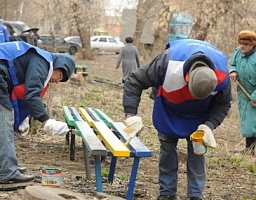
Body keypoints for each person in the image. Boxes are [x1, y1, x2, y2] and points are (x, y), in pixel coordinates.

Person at [122, 39, 232, 200]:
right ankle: (167, 193)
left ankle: (195, 194)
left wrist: (209, 126)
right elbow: (135, 80)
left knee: (197, 152)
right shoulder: (168, 61)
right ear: (187, 78)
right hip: (169, 107)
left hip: (199, 116)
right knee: (167, 148)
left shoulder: (222, 75)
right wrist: (130, 114)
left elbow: (223, 104)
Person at [0, 41, 75, 184]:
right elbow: (31, 94)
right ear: (59, 67)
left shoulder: (39, 57)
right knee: (4, 123)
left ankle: (5, 166)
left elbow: (23, 93)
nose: (57, 82)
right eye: (60, 77)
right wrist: (46, 120)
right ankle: (7, 172)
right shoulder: (43, 62)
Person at [229, 30, 256, 155]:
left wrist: (255, 97)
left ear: (252, 45)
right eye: (240, 43)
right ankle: (249, 148)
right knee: (247, 121)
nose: (241, 46)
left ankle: (251, 149)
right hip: (244, 93)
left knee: (253, 121)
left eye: (245, 44)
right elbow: (232, 63)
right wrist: (233, 70)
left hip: (253, 93)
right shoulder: (238, 52)